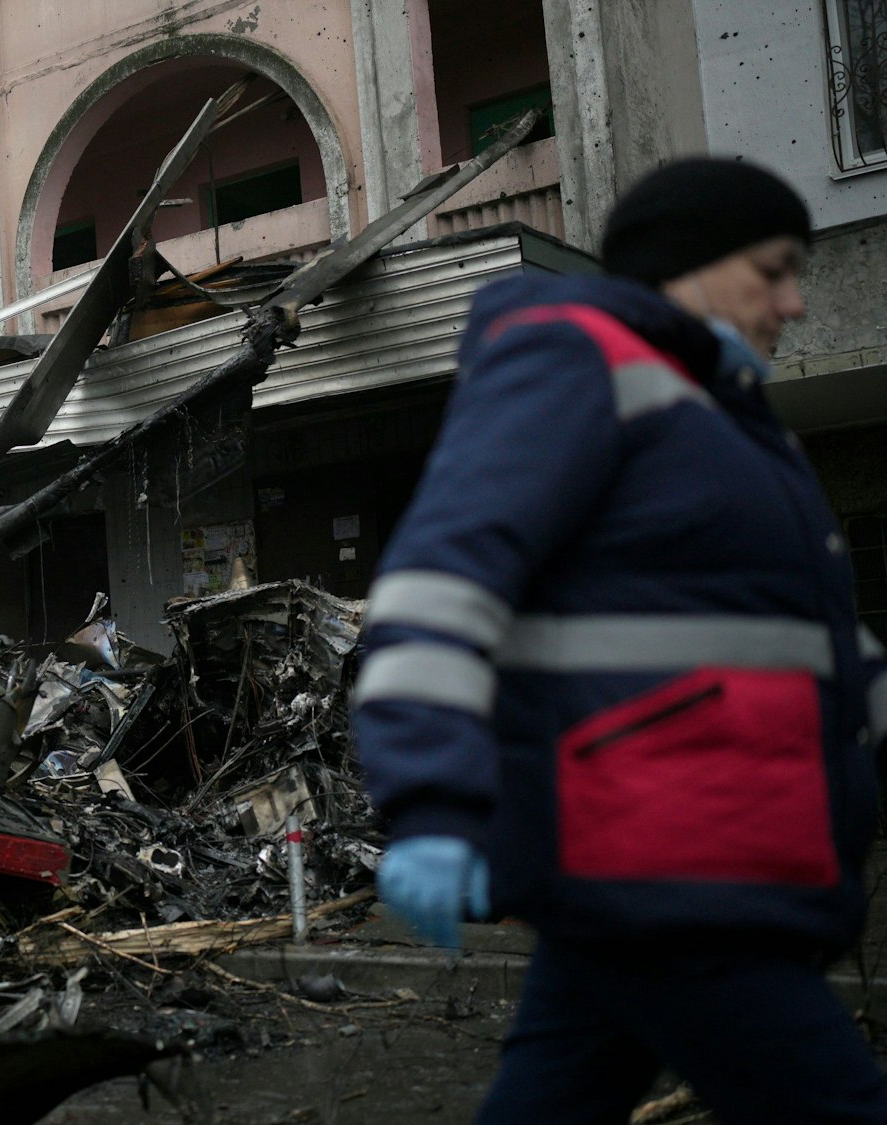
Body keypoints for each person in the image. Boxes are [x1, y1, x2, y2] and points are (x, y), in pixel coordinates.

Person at [354, 157, 887, 1121]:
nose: (795, 302)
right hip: (678, 862)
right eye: (773, 270)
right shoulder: (578, 360)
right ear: (693, 262)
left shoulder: (725, 417)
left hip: (658, 856)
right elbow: (445, 576)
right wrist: (432, 798)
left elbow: (810, 643)